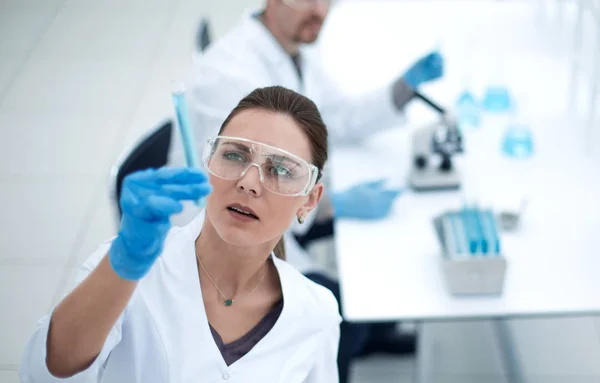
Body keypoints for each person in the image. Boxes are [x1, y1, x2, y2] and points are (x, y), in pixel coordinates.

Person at [170, 1, 444, 381]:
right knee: (341, 310)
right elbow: (246, 189)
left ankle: (373, 331)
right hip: (226, 234)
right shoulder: (230, 76)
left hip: (268, 208)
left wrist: (404, 87)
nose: (319, 10)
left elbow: (336, 117)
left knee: (383, 240)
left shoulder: (291, 49)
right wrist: (332, 206)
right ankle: (354, 339)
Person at [19, 86, 342, 383]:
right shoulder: (125, 273)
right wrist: (125, 264)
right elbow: (46, 373)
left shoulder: (317, 313)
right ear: (208, 160)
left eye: (281, 169)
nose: (249, 182)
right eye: (235, 155)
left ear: (310, 200)